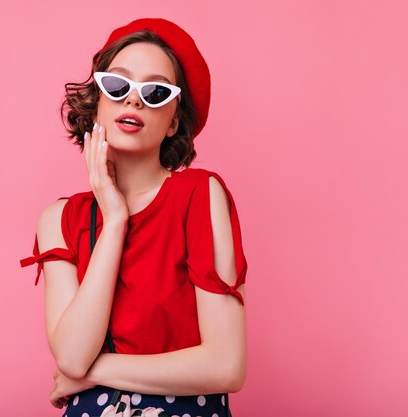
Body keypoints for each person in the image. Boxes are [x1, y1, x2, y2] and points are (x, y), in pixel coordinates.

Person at [20, 18, 248, 417]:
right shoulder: (59, 219)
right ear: (97, 102)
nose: (134, 101)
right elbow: (72, 358)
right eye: (118, 85)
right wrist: (114, 220)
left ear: (174, 121)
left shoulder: (198, 195)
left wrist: (97, 372)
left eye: (156, 91)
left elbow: (226, 366)